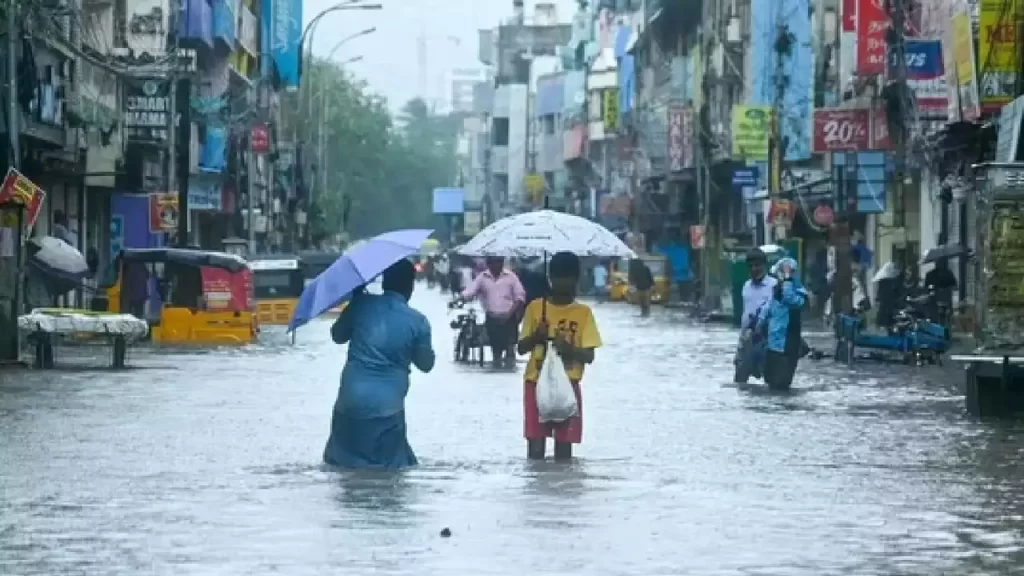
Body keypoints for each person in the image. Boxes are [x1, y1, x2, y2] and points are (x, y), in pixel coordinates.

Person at [323, 259, 435, 469]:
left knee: (341, 469)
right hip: (387, 410)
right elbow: (426, 364)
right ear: (410, 286)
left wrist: (355, 302)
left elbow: (337, 336)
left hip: (349, 402)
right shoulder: (417, 321)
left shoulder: (361, 305)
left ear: (384, 284)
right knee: (389, 474)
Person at [518, 251, 602, 460]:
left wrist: (568, 349)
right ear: (551, 279)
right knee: (535, 448)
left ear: (576, 279)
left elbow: (589, 356)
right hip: (536, 383)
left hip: (569, 385)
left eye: (568, 278)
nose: (563, 284)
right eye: (558, 278)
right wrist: (537, 336)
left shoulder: (583, 313)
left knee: (564, 450)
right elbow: (521, 348)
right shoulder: (536, 308)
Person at [462, 256, 526, 369]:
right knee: (496, 353)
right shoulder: (482, 277)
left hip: (509, 318)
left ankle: (509, 371)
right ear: (488, 264)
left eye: (499, 262)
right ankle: (496, 371)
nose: (496, 265)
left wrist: (509, 314)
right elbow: (470, 291)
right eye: (493, 263)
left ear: (502, 263)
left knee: (510, 350)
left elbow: (520, 297)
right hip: (492, 319)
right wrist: (460, 299)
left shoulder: (511, 277)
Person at [753, 257, 807, 391]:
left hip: (788, 345)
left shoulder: (800, 293)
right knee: (770, 382)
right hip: (773, 344)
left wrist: (788, 278)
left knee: (781, 384)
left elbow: (790, 299)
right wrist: (760, 322)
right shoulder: (777, 289)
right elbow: (768, 306)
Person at [735, 248, 778, 384]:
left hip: (766, 340)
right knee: (740, 381)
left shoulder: (774, 285)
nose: (754, 269)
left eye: (757, 265)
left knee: (770, 383)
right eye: (751, 266)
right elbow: (745, 313)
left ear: (764, 265)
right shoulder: (746, 286)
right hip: (746, 339)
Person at [924, 259, 957, 323]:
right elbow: (955, 286)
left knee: (939, 318)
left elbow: (926, 288)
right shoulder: (948, 273)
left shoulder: (930, 274)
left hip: (938, 300)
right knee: (943, 318)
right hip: (942, 300)